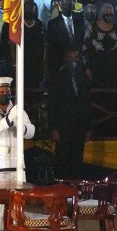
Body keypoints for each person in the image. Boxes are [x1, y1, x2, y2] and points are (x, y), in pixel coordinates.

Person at [0, 77, 35, 231]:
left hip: (16, 162)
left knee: (17, 200)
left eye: (8, 91)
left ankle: (13, 230)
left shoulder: (17, 110)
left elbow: (31, 131)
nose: (5, 94)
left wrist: (21, 128)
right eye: (1, 92)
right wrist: (8, 121)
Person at [48, 48, 92, 178]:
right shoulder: (57, 78)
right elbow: (52, 104)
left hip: (80, 126)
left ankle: (75, 188)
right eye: (70, 58)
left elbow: (87, 104)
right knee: (63, 158)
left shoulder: (83, 78)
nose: (74, 61)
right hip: (63, 126)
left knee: (77, 159)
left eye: (76, 58)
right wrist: (53, 128)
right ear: (65, 59)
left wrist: (89, 127)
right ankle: (62, 188)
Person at [46, 0, 85, 77]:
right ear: (60, 6)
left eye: (69, 4)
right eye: (64, 4)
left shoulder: (80, 22)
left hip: (78, 64)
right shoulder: (53, 24)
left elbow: (81, 42)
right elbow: (52, 46)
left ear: (72, 5)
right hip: (60, 65)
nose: (66, 6)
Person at [23, 0, 45, 88]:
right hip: (22, 60)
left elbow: (44, 46)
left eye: (31, 10)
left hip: (36, 61)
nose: (29, 12)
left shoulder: (40, 25)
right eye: (27, 10)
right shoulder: (18, 25)